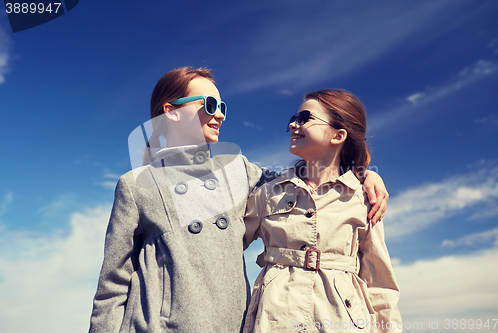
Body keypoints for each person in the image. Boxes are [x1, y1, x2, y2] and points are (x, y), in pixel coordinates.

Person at [89, 68, 390, 333]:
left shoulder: (239, 170)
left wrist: (361, 173)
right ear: (171, 111)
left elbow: (310, 181)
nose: (219, 113)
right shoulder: (135, 185)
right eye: (209, 104)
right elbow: (113, 284)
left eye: (222, 106)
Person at [243, 89, 401, 333]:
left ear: (338, 136)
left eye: (305, 117)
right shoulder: (267, 192)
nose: (293, 124)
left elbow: (380, 283)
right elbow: (226, 244)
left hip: (342, 321)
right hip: (274, 319)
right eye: (293, 119)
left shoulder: (364, 198)